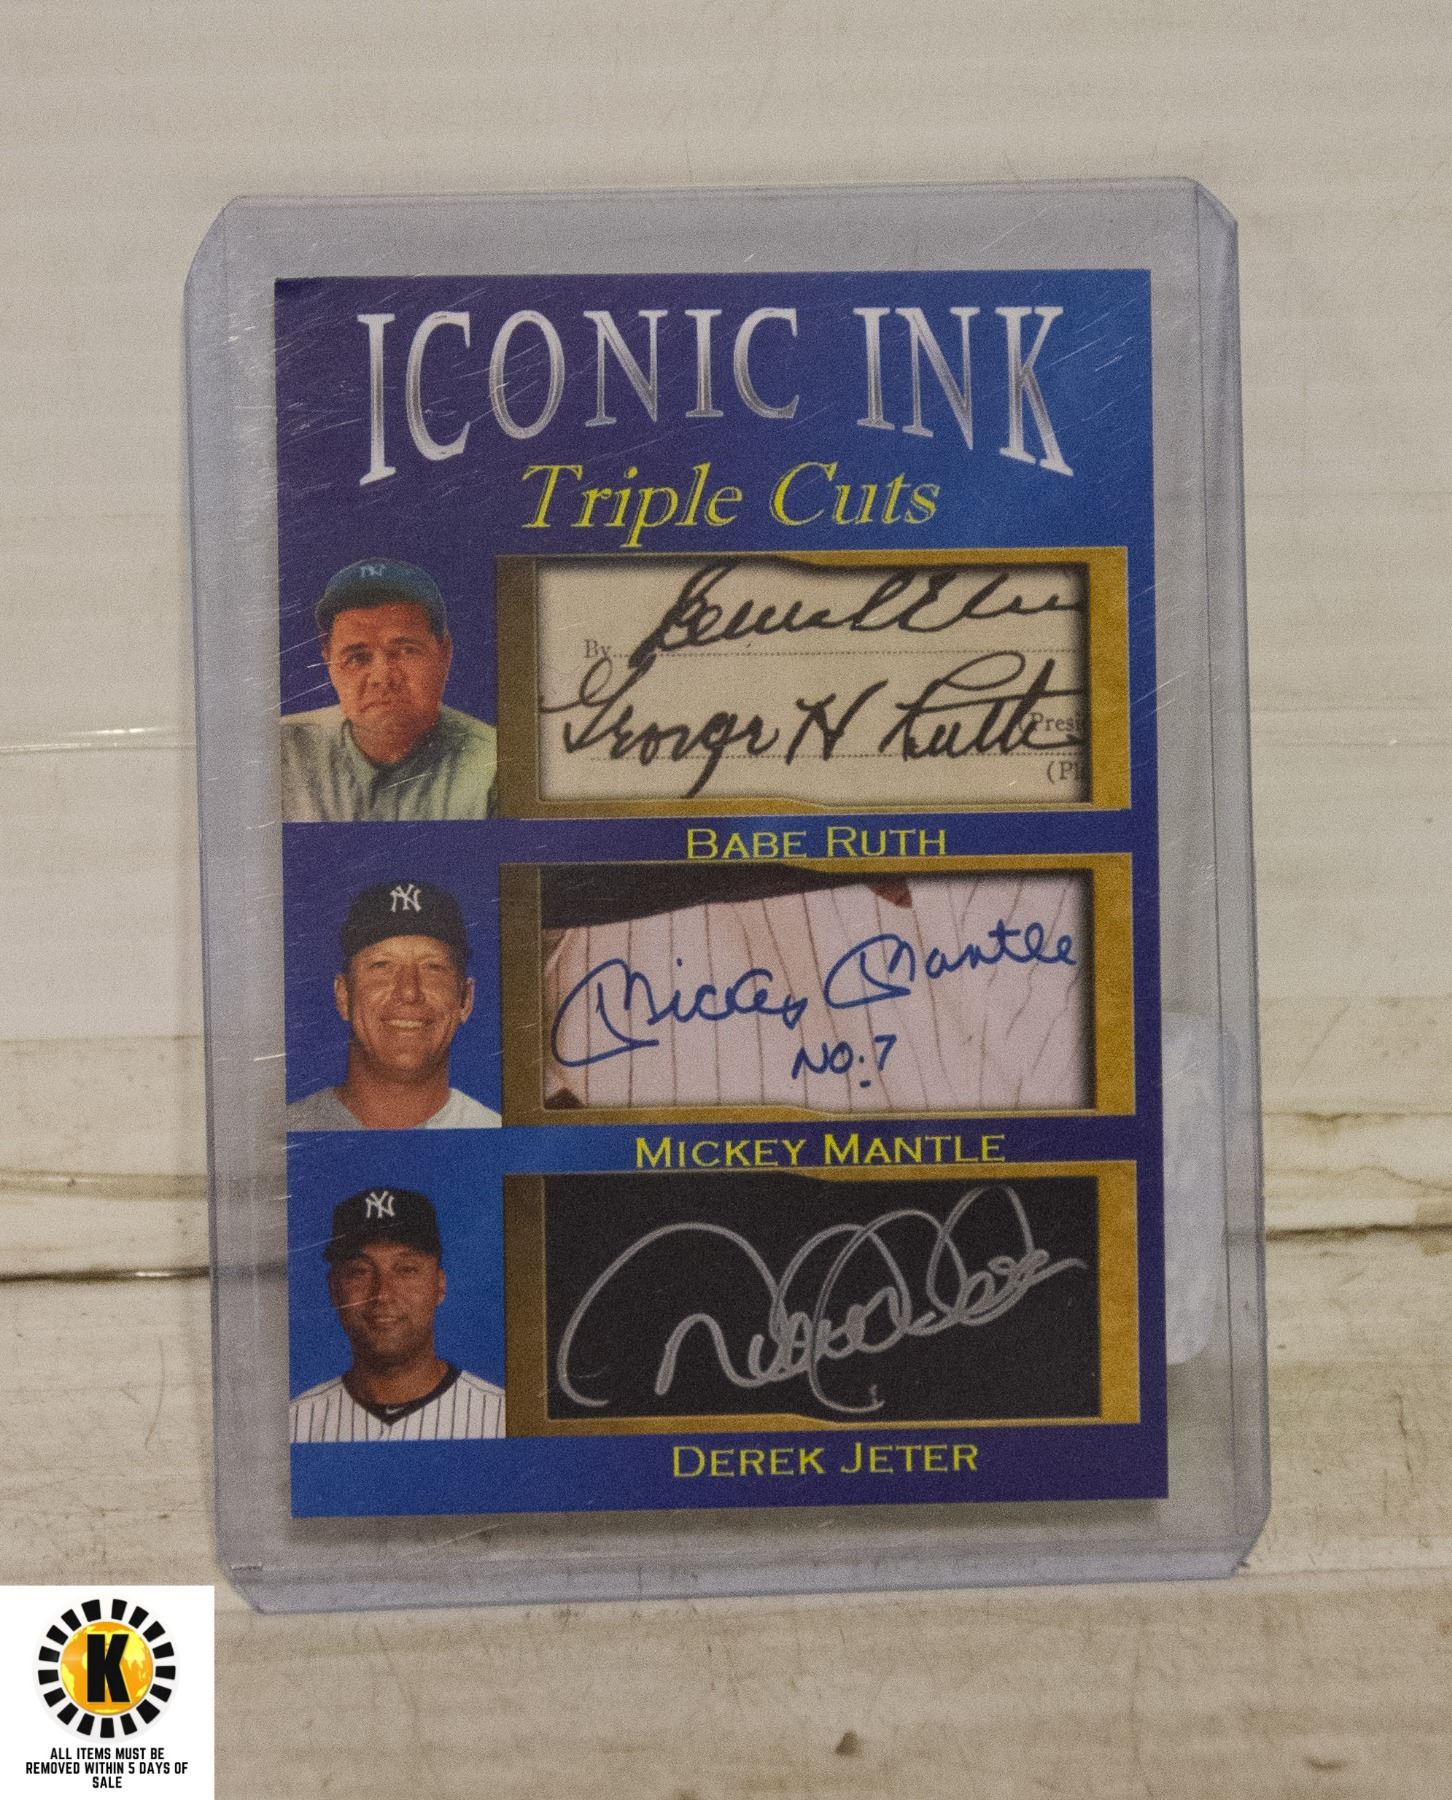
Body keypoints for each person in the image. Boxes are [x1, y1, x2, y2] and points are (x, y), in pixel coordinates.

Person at [280, 557, 496, 821]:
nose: (382, 678)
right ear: (328, 661)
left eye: (406, 651)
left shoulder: (496, 764)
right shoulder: (282, 752)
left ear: (444, 653)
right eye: (357, 657)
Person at [290, 1187, 505, 1442]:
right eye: (360, 1271)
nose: (383, 1294)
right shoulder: (295, 1423)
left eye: (406, 1269)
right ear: (334, 1290)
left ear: (439, 1285)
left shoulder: (503, 1419)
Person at [287, 879, 500, 1129]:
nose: (409, 991)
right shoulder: (286, 1131)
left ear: (465, 999)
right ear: (343, 996)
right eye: (382, 965)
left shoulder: (497, 1132)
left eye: (433, 967)